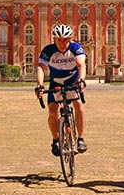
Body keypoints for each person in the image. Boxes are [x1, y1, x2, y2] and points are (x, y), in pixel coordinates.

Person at [35, 24, 88, 156]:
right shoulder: (48, 50)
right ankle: (55, 140)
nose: (63, 43)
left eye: (66, 39)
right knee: (53, 111)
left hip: (72, 80)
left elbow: (81, 64)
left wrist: (81, 79)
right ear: (54, 39)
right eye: (60, 39)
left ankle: (80, 139)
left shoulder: (76, 48)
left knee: (78, 105)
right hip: (56, 82)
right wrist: (40, 85)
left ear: (70, 39)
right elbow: (41, 67)